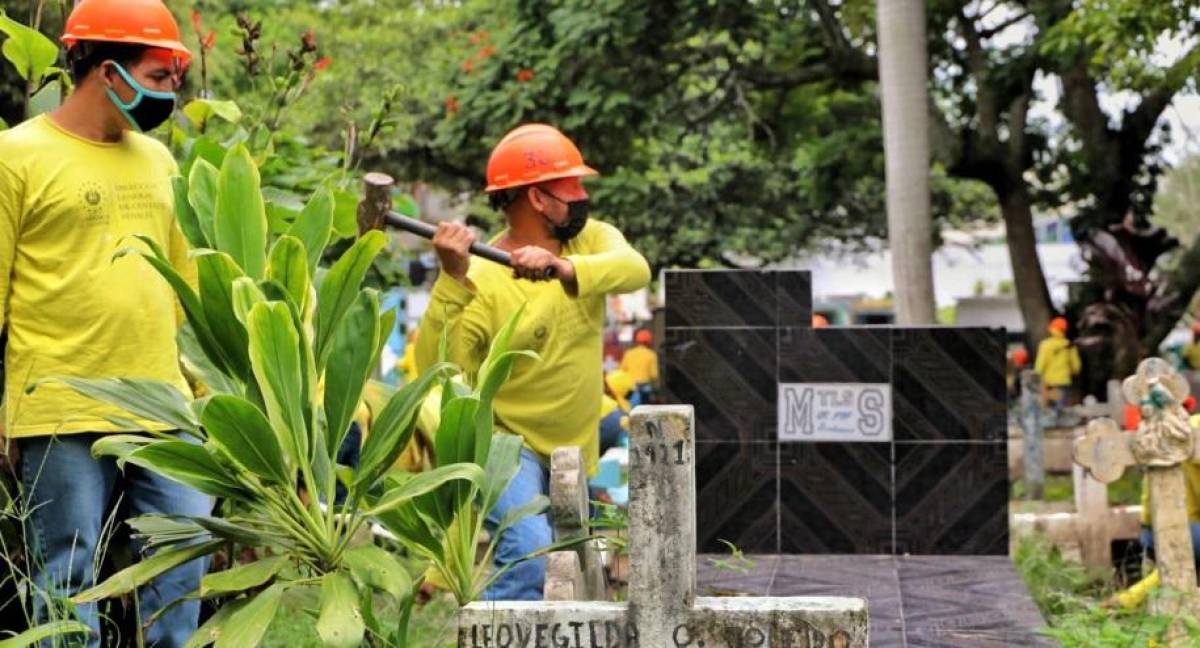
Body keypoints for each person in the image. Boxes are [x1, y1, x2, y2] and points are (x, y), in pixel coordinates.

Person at [0, 1, 211, 645]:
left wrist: (203, 392)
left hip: (161, 401)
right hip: (60, 402)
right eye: (160, 74)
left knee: (184, 564)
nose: (169, 92)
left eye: (175, 77)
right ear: (107, 70)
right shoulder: (16, 156)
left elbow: (184, 290)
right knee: (67, 576)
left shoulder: (159, 162)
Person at [414, 123, 651, 600]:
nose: (584, 196)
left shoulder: (590, 244)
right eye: (573, 187)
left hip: (574, 443)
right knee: (530, 554)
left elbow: (635, 268)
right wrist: (452, 279)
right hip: (509, 444)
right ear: (539, 199)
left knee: (581, 572)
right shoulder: (482, 277)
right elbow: (438, 364)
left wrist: (565, 269)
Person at [1034, 316, 1081, 423]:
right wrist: (1074, 372)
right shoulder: (1069, 345)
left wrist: (1037, 375)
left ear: (1052, 328)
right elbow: (1075, 365)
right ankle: (1059, 422)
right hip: (1063, 379)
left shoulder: (1045, 345)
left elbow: (1041, 362)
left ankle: (1050, 422)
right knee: (1061, 403)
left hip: (1048, 380)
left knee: (1048, 402)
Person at [620, 328, 658, 406]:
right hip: (645, 386)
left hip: (630, 386)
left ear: (637, 341)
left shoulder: (629, 353)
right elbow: (654, 375)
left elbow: (622, 371)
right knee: (644, 409)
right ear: (649, 341)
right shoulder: (651, 354)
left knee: (630, 408)